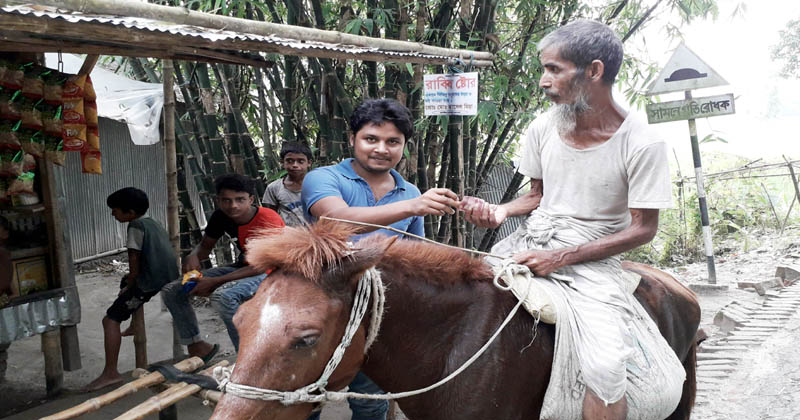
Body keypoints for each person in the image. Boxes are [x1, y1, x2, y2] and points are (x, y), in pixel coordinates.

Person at [460, 20, 674, 420]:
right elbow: (538, 196)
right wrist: (501, 212)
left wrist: (562, 257)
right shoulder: (543, 127)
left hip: (593, 263)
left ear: (593, 71)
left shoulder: (643, 143)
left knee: (605, 368)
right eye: (544, 69)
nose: (543, 81)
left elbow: (643, 228)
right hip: (529, 241)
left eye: (553, 70)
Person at [302, 98, 460, 420]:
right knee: (302, 396)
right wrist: (412, 207)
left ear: (403, 146)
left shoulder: (411, 192)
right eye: (371, 139)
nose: (381, 149)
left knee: (370, 401)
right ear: (352, 139)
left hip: (376, 316)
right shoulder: (323, 178)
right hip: (322, 309)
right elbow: (339, 220)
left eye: (393, 142)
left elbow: (417, 253)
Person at [161, 174, 284, 358]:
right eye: (226, 200)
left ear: (251, 199)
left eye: (239, 200)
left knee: (223, 297)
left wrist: (216, 281)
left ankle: (247, 357)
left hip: (274, 271)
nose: (233, 205)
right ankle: (198, 346)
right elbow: (204, 247)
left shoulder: (268, 218)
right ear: (218, 201)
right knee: (172, 290)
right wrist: (193, 257)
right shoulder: (220, 216)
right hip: (242, 267)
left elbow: (264, 265)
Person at [83, 187, 179, 391]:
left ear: (130, 212)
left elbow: (133, 259)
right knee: (124, 281)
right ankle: (135, 323)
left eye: (115, 210)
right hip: (167, 274)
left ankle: (111, 373)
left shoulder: (135, 226)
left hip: (150, 280)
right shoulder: (153, 222)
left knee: (110, 320)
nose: (112, 214)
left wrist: (131, 284)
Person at [262, 141, 313, 226]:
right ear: (282, 162)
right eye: (290, 161)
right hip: (287, 236)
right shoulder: (274, 188)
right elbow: (269, 216)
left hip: (316, 234)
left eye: (300, 161)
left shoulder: (318, 185)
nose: (295, 165)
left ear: (309, 163)